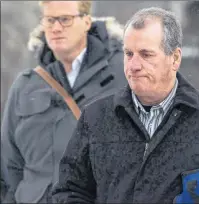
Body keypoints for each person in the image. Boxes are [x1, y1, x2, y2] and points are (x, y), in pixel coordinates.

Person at [52, 7, 199, 203]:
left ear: (175, 58)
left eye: (146, 54)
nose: (134, 65)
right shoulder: (96, 117)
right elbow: (69, 191)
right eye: (129, 54)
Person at [1, 1, 127, 203]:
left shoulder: (127, 73)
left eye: (65, 19)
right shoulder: (25, 85)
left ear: (86, 21)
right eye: (49, 20)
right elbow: (9, 166)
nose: (56, 28)